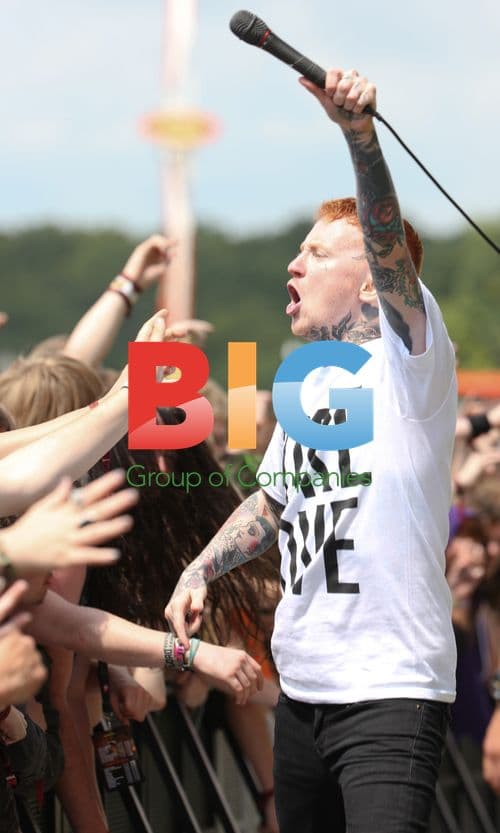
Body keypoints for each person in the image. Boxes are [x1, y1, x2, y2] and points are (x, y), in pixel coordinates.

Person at [165, 67, 458, 833]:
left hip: (389, 694)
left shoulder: (411, 360)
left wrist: (358, 137)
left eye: (318, 254)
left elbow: (391, 248)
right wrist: (201, 567)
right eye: (297, 250)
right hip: (302, 693)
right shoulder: (311, 380)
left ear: (372, 286)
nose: (292, 264)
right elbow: (275, 501)